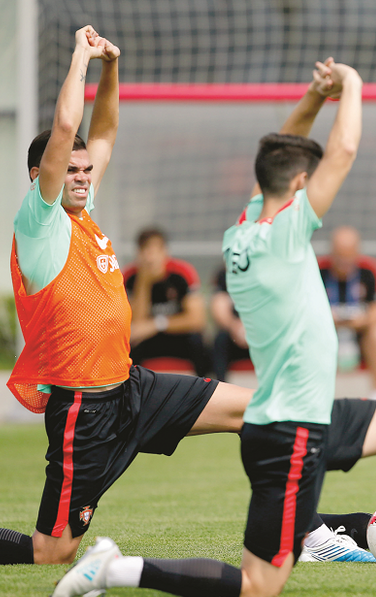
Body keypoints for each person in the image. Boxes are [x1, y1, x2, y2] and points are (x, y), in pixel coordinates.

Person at [51, 58, 376, 597]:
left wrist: (316, 97)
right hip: (290, 433)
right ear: (297, 185)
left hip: (297, 416)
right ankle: (116, 570)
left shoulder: (241, 232)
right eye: (305, 181)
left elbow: (279, 152)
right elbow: (343, 152)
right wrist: (353, 85)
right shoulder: (286, 234)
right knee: (259, 584)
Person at [0, 26, 253, 568]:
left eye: (87, 169)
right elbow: (68, 126)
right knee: (52, 552)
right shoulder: (38, 220)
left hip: (134, 386)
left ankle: (315, 527)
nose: (84, 176)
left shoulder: (82, 209)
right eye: (70, 168)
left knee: (257, 408)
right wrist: (80, 57)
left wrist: (112, 67)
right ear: (39, 175)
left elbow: (102, 130)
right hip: (84, 408)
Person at [123, 227, 213, 376]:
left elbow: (197, 320)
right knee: (128, 348)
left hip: (177, 335)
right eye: (145, 251)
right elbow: (136, 325)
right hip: (147, 340)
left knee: (200, 345)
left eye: (155, 250)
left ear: (165, 251)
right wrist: (144, 283)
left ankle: (206, 391)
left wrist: (157, 324)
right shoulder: (130, 276)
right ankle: (130, 395)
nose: (150, 257)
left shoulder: (182, 273)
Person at [318, 225, 376, 401]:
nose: (344, 263)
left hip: (361, 332)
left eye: (348, 256)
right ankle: (315, 396)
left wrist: (361, 321)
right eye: (340, 257)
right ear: (331, 252)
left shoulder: (370, 269)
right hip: (327, 331)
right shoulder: (317, 269)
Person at [209, 266, 251, 381]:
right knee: (220, 340)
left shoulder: (268, 272)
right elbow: (219, 303)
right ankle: (220, 387)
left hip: (260, 330)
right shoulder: (225, 275)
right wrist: (235, 327)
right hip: (233, 333)